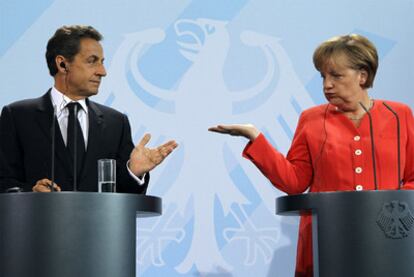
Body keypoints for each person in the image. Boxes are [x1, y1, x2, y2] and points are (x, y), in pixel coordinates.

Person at [209, 34, 414, 276]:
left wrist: (391, 214)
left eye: (336, 75)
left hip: (387, 243)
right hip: (325, 241)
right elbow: (293, 181)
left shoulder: (399, 115)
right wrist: (255, 138)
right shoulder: (311, 119)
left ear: (363, 76)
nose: (326, 84)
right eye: (323, 76)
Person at [0, 25, 177, 193]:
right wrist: (31, 193)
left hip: (99, 225)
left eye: (102, 62)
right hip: (39, 224)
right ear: (62, 64)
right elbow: (4, 182)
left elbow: (123, 196)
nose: (103, 71)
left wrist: (134, 171)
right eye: (92, 61)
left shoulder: (116, 122)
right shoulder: (17, 116)